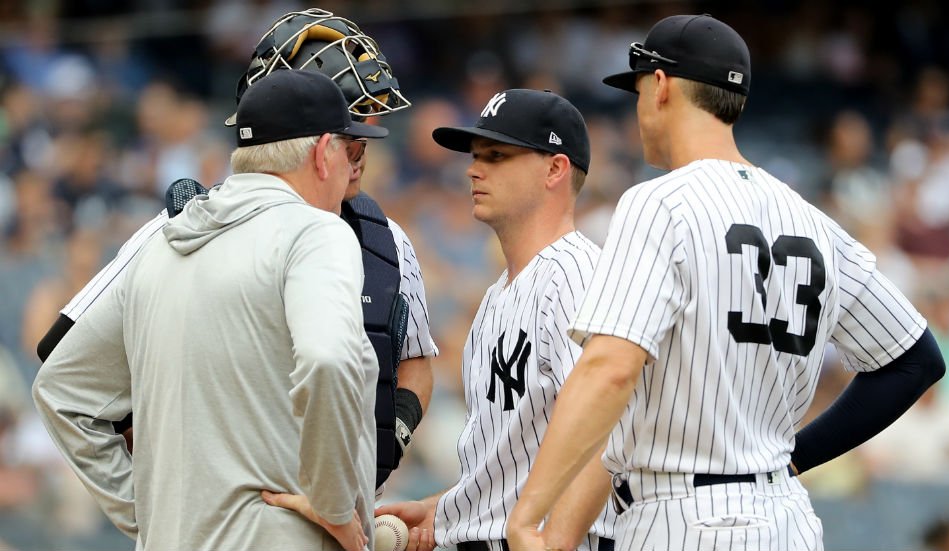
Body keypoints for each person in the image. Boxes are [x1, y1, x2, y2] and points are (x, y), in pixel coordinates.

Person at [507, 14, 946, 551]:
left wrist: (529, 516)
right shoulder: (812, 219)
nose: (639, 107)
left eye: (640, 89)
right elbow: (916, 359)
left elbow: (610, 370)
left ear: (662, 86)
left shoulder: (660, 201)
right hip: (788, 522)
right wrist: (792, 458)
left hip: (683, 520)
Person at [35, 9, 437, 489]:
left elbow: (414, 361)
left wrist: (392, 436)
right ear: (309, 140)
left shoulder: (383, 239)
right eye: (350, 139)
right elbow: (63, 360)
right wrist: (151, 500)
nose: (361, 156)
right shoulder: (185, 229)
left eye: (367, 138)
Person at [34, 69, 385, 551]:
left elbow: (62, 391)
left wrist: (145, 514)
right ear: (324, 152)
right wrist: (334, 508)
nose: (354, 169)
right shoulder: (315, 232)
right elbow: (328, 359)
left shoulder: (159, 247)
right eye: (352, 151)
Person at [305, 89, 617, 551]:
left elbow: (609, 430)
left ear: (555, 168)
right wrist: (447, 508)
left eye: (496, 156)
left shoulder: (575, 275)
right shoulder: (497, 294)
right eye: (475, 156)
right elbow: (512, 461)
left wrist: (555, 541)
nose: (473, 169)